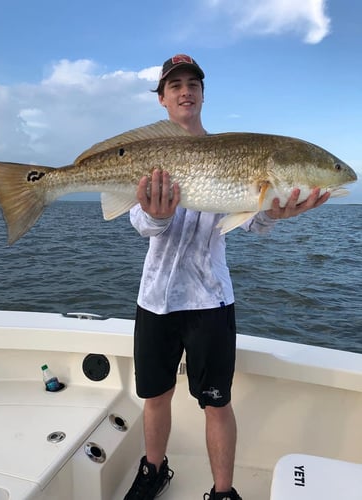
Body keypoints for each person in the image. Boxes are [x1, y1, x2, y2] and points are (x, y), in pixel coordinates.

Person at [125, 54, 330, 500]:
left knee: (216, 401)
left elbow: (251, 222)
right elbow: (140, 224)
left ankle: (222, 492)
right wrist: (157, 216)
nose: (185, 91)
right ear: (161, 99)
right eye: (174, 85)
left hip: (210, 300)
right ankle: (153, 470)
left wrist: (274, 214)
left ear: (202, 94)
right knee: (154, 395)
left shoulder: (235, 152)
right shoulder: (148, 156)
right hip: (155, 298)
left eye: (193, 83)